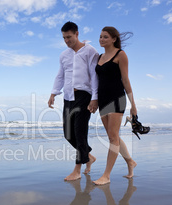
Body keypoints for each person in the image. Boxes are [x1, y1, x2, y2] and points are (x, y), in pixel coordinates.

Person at [48, 21, 99, 181]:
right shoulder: (64, 55)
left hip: (84, 95)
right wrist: (53, 93)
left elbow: (94, 75)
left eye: (69, 37)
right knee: (68, 134)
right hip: (68, 97)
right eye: (64, 38)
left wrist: (95, 98)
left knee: (79, 132)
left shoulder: (90, 51)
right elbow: (60, 75)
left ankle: (77, 170)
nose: (67, 41)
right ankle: (88, 156)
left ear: (77, 34)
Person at [92, 26, 138, 185]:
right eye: (100, 36)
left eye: (105, 37)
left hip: (117, 98)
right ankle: (130, 162)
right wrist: (95, 99)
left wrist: (133, 105)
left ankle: (106, 175)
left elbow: (126, 80)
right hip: (103, 100)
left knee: (112, 137)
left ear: (113, 39)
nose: (101, 39)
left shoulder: (121, 55)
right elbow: (96, 81)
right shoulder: (99, 56)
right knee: (114, 136)